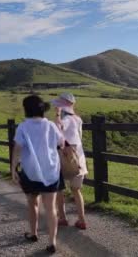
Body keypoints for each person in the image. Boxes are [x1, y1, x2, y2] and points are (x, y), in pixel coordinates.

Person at [11, 95, 64, 254]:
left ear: (26, 109)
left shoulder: (23, 127)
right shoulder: (51, 126)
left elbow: (18, 148)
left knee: (32, 203)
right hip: (51, 171)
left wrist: (13, 167)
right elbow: (61, 143)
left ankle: (33, 233)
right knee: (51, 208)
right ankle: (52, 241)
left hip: (31, 172)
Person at [52, 93, 88, 230]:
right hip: (78, 158)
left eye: (58, 105)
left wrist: (57, 115)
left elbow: (57, 128)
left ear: (62, 106)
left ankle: (63, 218)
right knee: (76, 190)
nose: (55, 107)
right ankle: (82, 220)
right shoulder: (78, 119)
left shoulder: (65, 119)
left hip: (63, 158)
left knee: (60, 190)